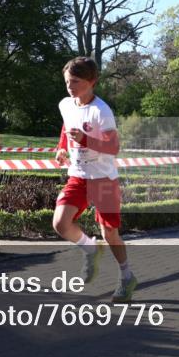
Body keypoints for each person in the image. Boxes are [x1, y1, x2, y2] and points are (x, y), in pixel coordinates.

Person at [52, 56, 137, 302]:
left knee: (110, 233)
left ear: (92, 82)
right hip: (78, 176)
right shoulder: (66, 104)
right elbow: (67, 127)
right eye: (68, 81)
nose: (70, 86)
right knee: (60, 224)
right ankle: (90, 248)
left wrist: (84, 140)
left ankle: (126, 276)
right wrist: (62, 147)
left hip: (103, 179)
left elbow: (114, 147)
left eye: (76, 81)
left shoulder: (102, 111)